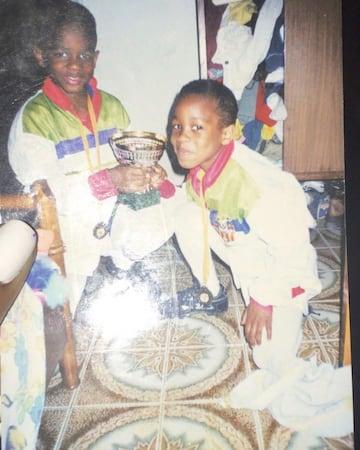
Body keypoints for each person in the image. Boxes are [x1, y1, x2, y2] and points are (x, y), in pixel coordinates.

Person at [165, 79, 353, 436]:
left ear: (226, 134)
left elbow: (293, 249)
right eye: (177, 125)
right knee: (185, 213)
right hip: (249, 256)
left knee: (270, 357)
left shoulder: (258, 183)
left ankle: (340, 389)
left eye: (195, 127)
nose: (181, 137)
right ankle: (211, 291)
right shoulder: (202, 168)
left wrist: (264, 300)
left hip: (285, 272)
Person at [7, 0, 172, 312]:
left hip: (107, 214)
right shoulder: (33, 121)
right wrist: (109, 179)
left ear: (96, 57)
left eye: (84, 55)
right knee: (56, 308)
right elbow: (48, 198)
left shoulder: (112, 107)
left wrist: (148, 172)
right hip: (59, 230)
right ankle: (75, 278)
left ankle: (120, 267)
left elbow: (132, 157)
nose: (74, 65)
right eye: (61, 54)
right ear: (42, 56)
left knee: (163, 209)